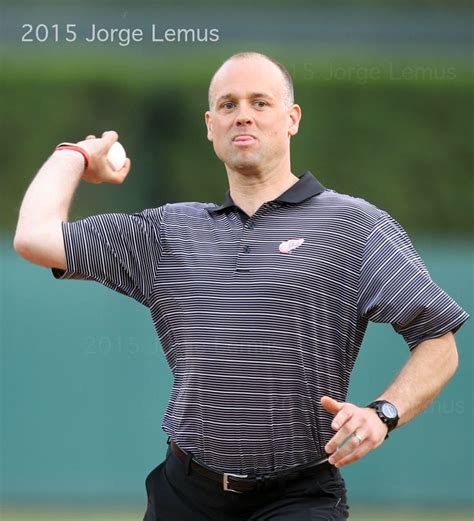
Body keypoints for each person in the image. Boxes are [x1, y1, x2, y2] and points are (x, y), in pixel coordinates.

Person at [14, 52, 469, 521]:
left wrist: (383, 414)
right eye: (228, 105)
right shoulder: (168, 232)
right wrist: (72, 155)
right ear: (210, 126)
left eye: (260, 102)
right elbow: (33, 237)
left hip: (298, 496)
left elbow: (438, 340)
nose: (243, 115)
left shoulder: (352, 226)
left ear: (292, 119)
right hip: (186, 493)